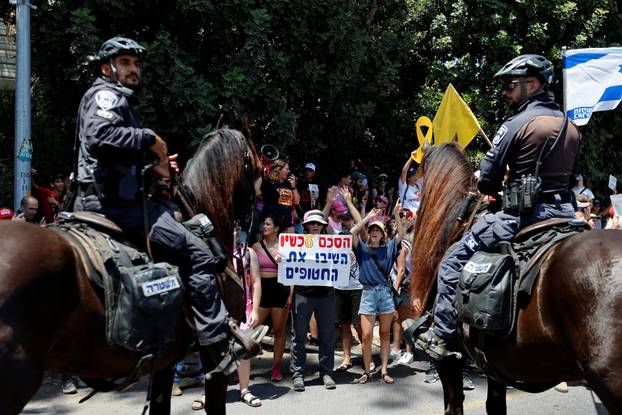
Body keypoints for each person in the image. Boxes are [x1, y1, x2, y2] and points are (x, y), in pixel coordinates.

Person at [70, 36, 265, 384]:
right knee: (200, 254)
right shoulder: (106, 95)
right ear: (106, 68)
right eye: (125, 62)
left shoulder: (118, 99)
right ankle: (217, 346)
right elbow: (98, 136)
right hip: (114, 206)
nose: (133, 69)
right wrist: (149, 140)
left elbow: (112, 158)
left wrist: (154, 166)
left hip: (116, 198)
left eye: (136, 63)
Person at [415, 54, 581, 359]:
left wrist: (501, 181)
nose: (504, 91)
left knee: (452, 261)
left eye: (509, 84)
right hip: (568, 216)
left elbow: (487, 183)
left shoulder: (517, 123)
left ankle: (441, 335)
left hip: (522, 217)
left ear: (532, 85)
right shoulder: (571, 127)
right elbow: (573, 178)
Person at [350, 202, 405, 385]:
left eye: (378, 230)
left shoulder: (389, 248)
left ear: (383, 234)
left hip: (384, 294)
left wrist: (396, 214)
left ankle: (383, 370)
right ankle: (367, 371)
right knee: (366, 335)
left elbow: (401, 235)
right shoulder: (363, 250)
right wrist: (367, 218)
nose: (374, 232)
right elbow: (353, 233)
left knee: (384, 333)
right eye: (372, 229)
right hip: (368, 293)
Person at [289, 210, 337, 391]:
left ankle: (326, 373)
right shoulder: (298, 243)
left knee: (327, 335)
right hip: (303, 294)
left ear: (323, 226)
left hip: (326, 294)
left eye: (319, 223)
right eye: (312, 223)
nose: (315, 226)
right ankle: (298, 374)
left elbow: (340, 261)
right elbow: (288, 261)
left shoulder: (333, 244)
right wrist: (282, 259)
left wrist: (349, 256)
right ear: (306, 226)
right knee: (299, 335)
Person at [252, 214, 292, 382]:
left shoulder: (285, 247)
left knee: (279, 331)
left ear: (276, 228)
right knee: (251, 330)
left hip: (280, 289)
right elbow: (250, 274)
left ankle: (276, 368)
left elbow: (292, 272)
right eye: (264, 223)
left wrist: (290, 294)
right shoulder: (255, 246)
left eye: (268, 224)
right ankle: (242, 367)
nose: (264, 226)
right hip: (262, 291)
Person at [261, 159, 299, 233]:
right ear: (279, 170)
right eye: (287, 169)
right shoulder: (268, 183)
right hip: (272, 224)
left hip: (287, 224)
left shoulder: (288, 184)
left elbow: (296, 202)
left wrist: (293, 187)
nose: (289, 171)